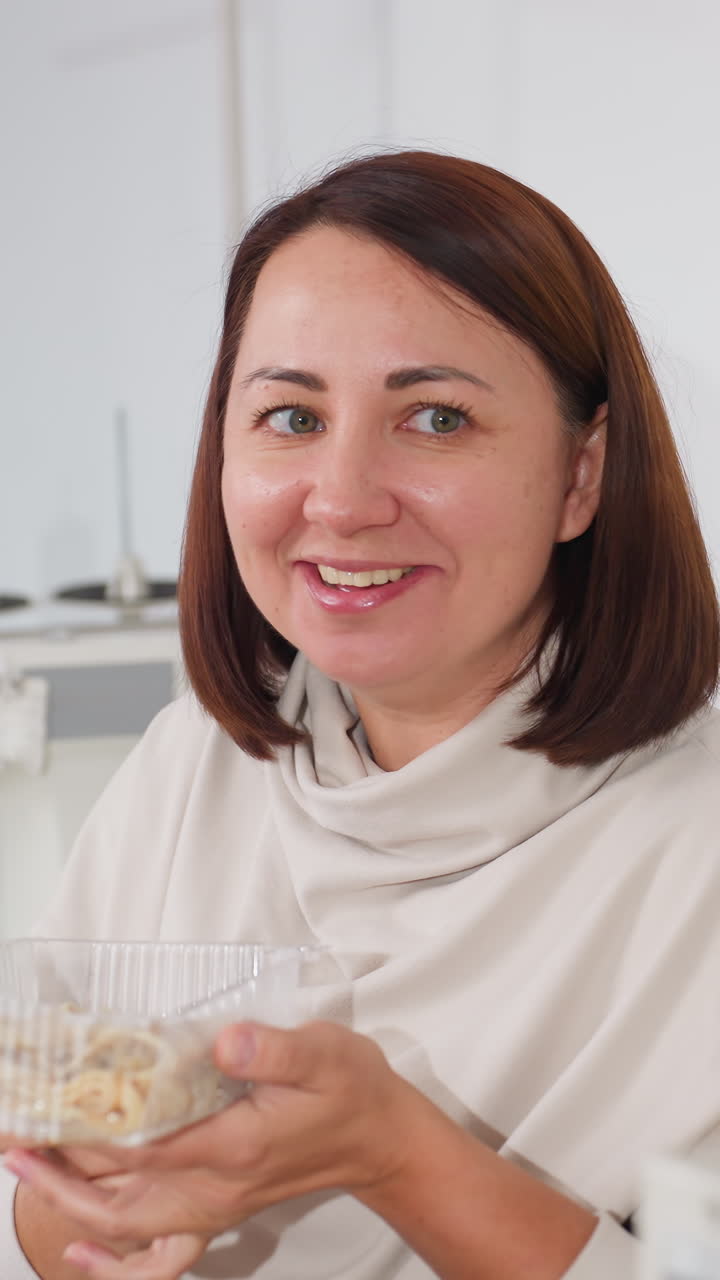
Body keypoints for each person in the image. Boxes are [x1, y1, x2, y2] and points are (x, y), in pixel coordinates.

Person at [1, 148, 719, 1279]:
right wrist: (113, 1206)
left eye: (435, 418)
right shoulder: (198, 762)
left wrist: (395, 1151)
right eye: (290, 416)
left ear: (583, 473)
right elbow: (31, 1210)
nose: (339, 497)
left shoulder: (695, 837)